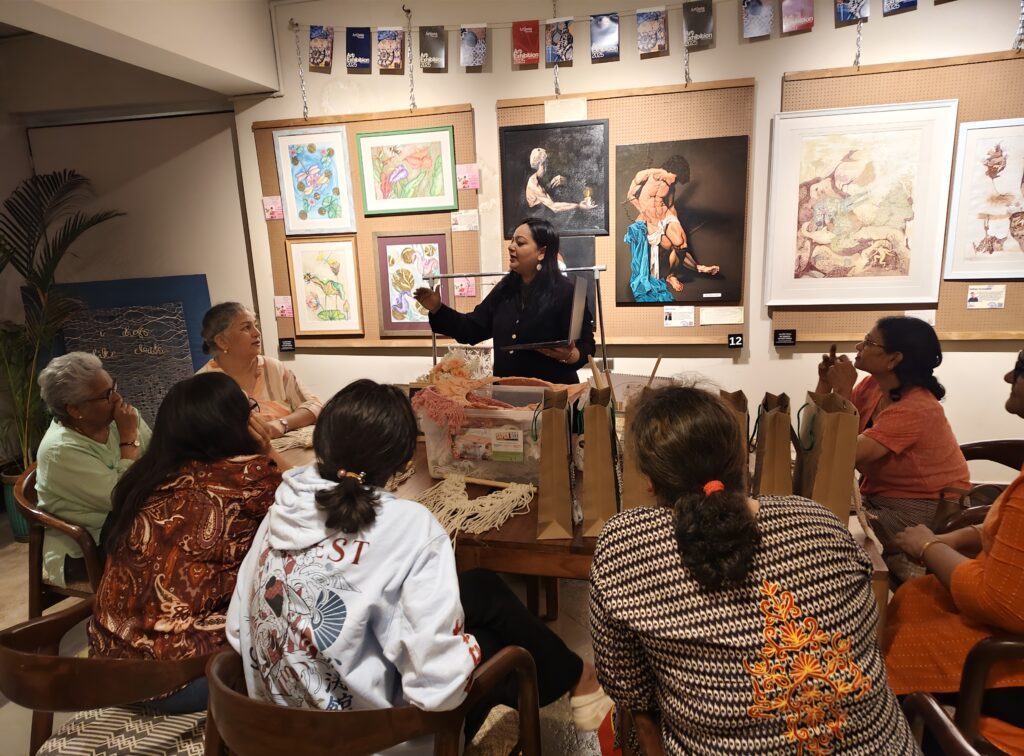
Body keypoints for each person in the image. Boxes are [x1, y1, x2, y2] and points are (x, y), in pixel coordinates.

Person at [227, 380, 611, 753]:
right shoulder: (409, 524)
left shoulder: (281, 512)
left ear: (321, 442)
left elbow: (236, 632)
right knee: (498, 647)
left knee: (479, 586)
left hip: (268, 736)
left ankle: (575, 675)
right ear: (406, 458)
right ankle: (573, 677)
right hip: (376, 741)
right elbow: (438, 691)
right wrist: (465, 648)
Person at [589, 384, 919, 754]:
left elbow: (631, 691)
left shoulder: (625, 544)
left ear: (649, 481)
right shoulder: (818, 520)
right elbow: (864, 627)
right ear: (743, 456)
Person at [88, 372, 285, 713]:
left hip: (107, 669)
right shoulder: (250, 476)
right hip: (182, 681)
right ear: (238, 423)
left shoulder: (143, 479)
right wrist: (267, 448)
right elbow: (315, 504)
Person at [883, 349, 1024, 754]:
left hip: (1005, 656)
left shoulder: (916, 407)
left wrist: (928, 546)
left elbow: (1000, 603)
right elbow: (1003, 529)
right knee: (914, 597)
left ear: (894, 357)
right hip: (910, 509)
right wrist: (954, 542)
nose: (1007, 376)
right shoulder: (870, 390)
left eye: (1020, 368)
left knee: (903, 624)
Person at [816, 316, 970, 583]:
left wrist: (841, 388)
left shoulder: (917, 407)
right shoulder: (874, 386)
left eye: (868, 342)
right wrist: (825, 384)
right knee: (818, 513)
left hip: (920, 508)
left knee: (829, 530)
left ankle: (857, 594)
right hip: (878, 497)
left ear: (893, 359)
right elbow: (820, 429)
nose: (857, 347)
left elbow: (840, 454)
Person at [413, 217, 596, 384]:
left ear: (542, 252)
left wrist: (570, 355)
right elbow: (471, 329)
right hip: (506, 398)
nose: (511, 247)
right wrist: (438, 308)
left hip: (553, 400)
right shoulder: (504, 289)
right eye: (512, 241)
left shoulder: (566, 292)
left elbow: (587, 345)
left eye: (520, 242)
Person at [35, 352, 151, 588]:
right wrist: (129, 440)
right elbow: (121, 497)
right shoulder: (60, 451)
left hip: (131, 524)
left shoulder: (120, 418)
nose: (118, 398)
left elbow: (159, 458)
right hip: (86, 548)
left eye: (114, 386)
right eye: (106, 395)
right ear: (75, 410)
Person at [197, 302, 322, 439]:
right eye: (246, 328)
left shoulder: (273, 368)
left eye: (255, 325)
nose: (257, 333)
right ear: (222, 341)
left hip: (291, 457)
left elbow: (314, 406)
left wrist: (282, 423)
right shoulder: (202, 385)